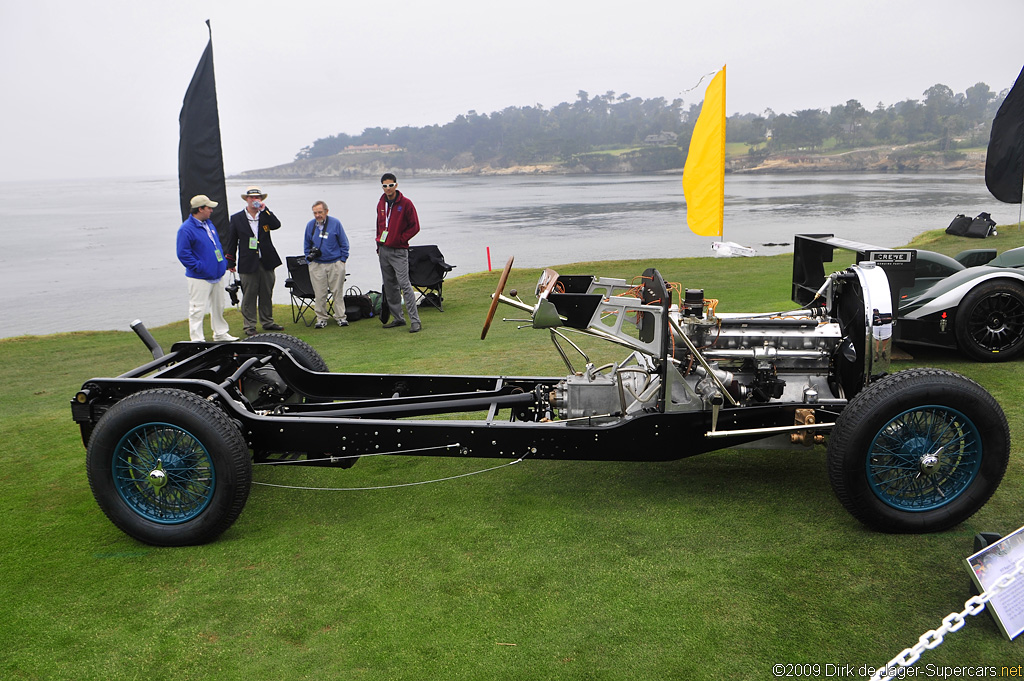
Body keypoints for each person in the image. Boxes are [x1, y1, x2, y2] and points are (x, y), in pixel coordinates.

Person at [176, 195, 237, 342]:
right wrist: (199, 267)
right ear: (200, 209)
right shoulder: (186, 229)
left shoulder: (208, 224)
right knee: (197, 308)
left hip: (216, 273)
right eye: (208, 208)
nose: (211, 210)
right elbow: (183, 253)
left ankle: (220, 333)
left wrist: (222, 265)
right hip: (199, 276)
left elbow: (216, 246)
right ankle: (197, 339)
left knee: (218, 306)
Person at [225, 186, 284, 336]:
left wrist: (265, 210)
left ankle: (267, 322)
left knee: (266, 293)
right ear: (247, 200)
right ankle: (249, 325)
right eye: (252, 198)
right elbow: (232, 242)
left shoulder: (265, 215)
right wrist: (230, 262)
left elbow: (277, 225)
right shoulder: (237, 218)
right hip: (247, 262)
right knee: (249, 295)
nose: (254, 200)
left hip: (266, 260)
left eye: (257, 198)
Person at [375, 173, 421, 333]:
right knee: (390, 286)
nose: (388, 188)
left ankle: (415, 321)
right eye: (385, 186)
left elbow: (415, 226)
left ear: (396, 185)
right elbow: (379, 225)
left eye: (390, 185)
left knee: (404, 285)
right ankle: (398, 318)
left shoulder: (406, 203)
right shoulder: (381, 203)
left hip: (399, 250)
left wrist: (401, 239)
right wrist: (378, 245)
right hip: (384, 250)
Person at [303, 200, 350, 329]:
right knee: (319, 293)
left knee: (337, 292)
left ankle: (341, 317)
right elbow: (306, 245)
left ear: (326, 212)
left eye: (320, 212)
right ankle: (321, 318)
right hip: (317, 265)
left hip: (335, 263)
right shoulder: (310, 225)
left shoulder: (335, 223)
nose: (318, 215)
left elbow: (344, 243)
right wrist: (310, 262)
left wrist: (343, 260)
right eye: (315, 213)